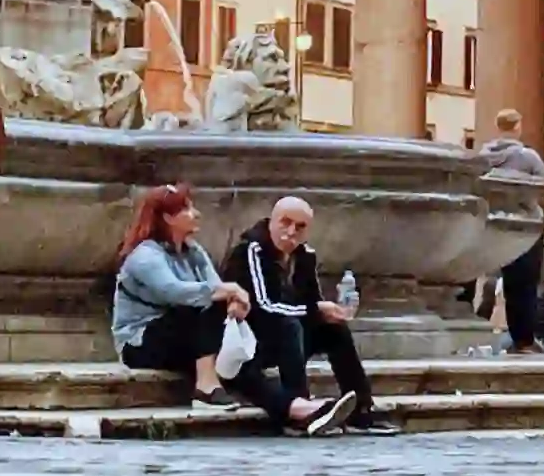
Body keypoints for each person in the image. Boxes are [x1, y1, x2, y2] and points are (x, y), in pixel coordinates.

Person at [223, 193, 395, 433]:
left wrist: (326, 311)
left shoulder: (304, 256)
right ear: (271, 221)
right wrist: (315, 310)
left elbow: (310, 299)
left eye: (300, 227)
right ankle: (301, 408)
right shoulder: (251, 251)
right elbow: (264, 306)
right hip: (253, 339)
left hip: (287, 334)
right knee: (289, 325)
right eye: (285, 222)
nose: (292, 231)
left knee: (335, 330)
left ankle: (362, 407)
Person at [112, 183, 244, 401]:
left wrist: (233, 302)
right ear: (168, 218)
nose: (196, 214)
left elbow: (215, 287)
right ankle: (205, 387)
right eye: (187, 209)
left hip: (180, 338)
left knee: (218, 311)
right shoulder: (145, 255)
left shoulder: (193, 250)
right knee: (190, 311)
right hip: (139, 344)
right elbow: (173, 291)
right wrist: (227, 291)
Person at [478, 109, 544, 352]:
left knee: (505, 284)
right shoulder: (527, 157)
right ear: (517, 127)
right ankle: (524, 339)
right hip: (526, 223)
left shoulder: (483, 156)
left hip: (495, 223)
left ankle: (510, 334)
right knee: (526, 285)